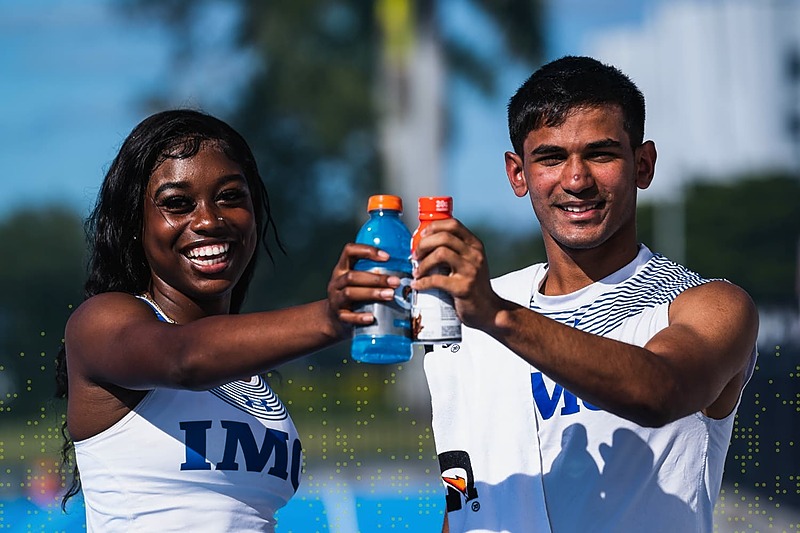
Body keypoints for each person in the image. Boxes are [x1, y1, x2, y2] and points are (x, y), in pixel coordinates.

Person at [409, 56, 759, 532]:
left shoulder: (706, 304)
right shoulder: (471, 317)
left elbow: (659, 392)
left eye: (601, 154)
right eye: (551, 158)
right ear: (518, 173)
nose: (576, 180)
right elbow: (468, 505)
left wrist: (497, 316)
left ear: (644, 163)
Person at [54, 109, 398, 532]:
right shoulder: (101, 323)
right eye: (177, 204)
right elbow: (185, 358)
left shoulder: (248, 378)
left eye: (231, 197)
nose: (209, 221)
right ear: (135, 224)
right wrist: (330, 318)